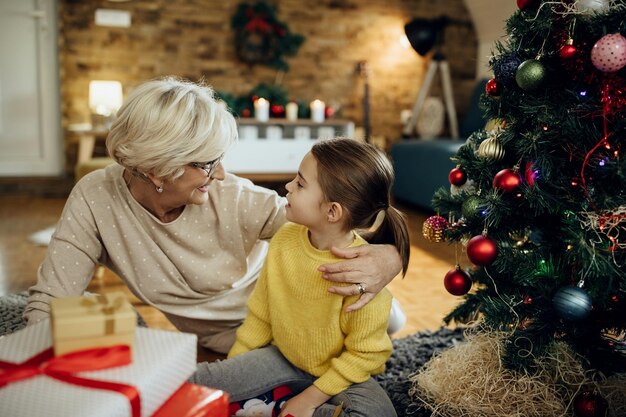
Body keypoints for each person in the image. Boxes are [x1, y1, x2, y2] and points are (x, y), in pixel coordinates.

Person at [23, 77, 402, 354]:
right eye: (208, 163)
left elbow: (341, 222)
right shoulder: (95, 198)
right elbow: (52, 299)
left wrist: (390, 256)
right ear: (158, 170)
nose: (220, 174)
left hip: (293, 315)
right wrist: (26, 365)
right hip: (230, 340)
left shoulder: (235, 197)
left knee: (390, 320)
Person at [191, 138, 410, 417]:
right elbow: (262, 313)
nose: (288, 187)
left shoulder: (362, 272)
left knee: (378, 413)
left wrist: (309, 399)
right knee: (198, 382)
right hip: (282, 358)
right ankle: (275, 404)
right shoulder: (284, 240)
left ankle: (281, 406)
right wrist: (235, 371)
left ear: (332, 211)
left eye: (300, 184)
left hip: (340, 375)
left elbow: (366, 354)